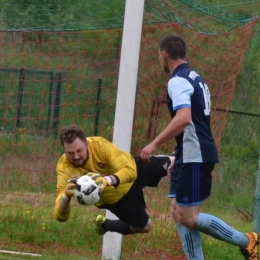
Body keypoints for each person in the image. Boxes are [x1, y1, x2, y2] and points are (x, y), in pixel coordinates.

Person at [140, 34, 258, 260]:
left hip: (196, 155)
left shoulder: (177, 81)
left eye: (159, 56)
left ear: (164, 55)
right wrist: (178, 153)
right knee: (178, 212)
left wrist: (154, 143)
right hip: (189, 153)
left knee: (188, 216)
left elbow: (184, 118)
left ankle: (247, 241)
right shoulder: (196, 78)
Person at [53, 124, 175, 236]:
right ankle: (106, 225)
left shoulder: (100, 145)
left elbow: (130, 171)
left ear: (87, 144)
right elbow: (60, 217)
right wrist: (66, 197)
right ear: (64, 150)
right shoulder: (64, 168)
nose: (76, 156)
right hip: (118, 200)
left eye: (79, 150)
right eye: (70, 153)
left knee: (177, 162)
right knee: (146, 227)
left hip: (136, 169)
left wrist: (106, 181)